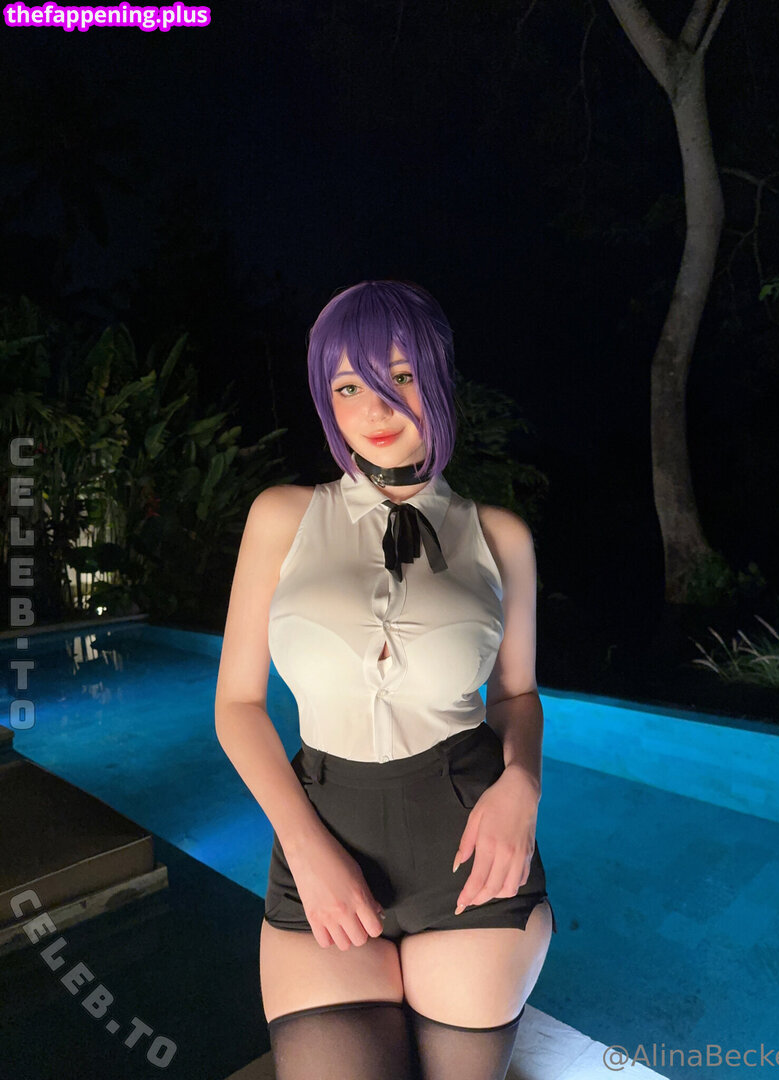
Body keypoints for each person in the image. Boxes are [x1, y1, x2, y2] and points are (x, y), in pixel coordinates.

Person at [214, 280, 557, 1080]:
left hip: (469, 852)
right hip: (323, 841)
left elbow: (515, 696)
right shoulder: (281, 517)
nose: (375, 406)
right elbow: (236, 704)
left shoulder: (498, 535)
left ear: (435, 375)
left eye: (399, 376)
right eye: (347, 386)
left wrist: (523, 786)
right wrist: (306, 851)